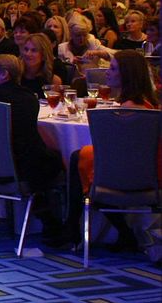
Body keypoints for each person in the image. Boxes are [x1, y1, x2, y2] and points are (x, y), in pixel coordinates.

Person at [64, 51, 161, 251]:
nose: (107, 72)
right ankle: (118, 232)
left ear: (128, 75)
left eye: (113, 69)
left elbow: (119, 152)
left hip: (132, 176)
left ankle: (72, 226)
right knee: (84, 158)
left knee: (79, 161)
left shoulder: (128, 111)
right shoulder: (147, 104)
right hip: (147, 173)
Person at [0, 53, 65, 246]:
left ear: (4, 74)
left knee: (37, 157)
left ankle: (45, 215)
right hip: (20, 171)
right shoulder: (27, 99)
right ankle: (55, 218)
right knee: (56, 160)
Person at [20, 33, 68, 99]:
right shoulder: (15, 76)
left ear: (43, 55)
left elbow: (55, 105)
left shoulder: (54, 81)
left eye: (34, 50)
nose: (28, 54)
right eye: (26, 49)